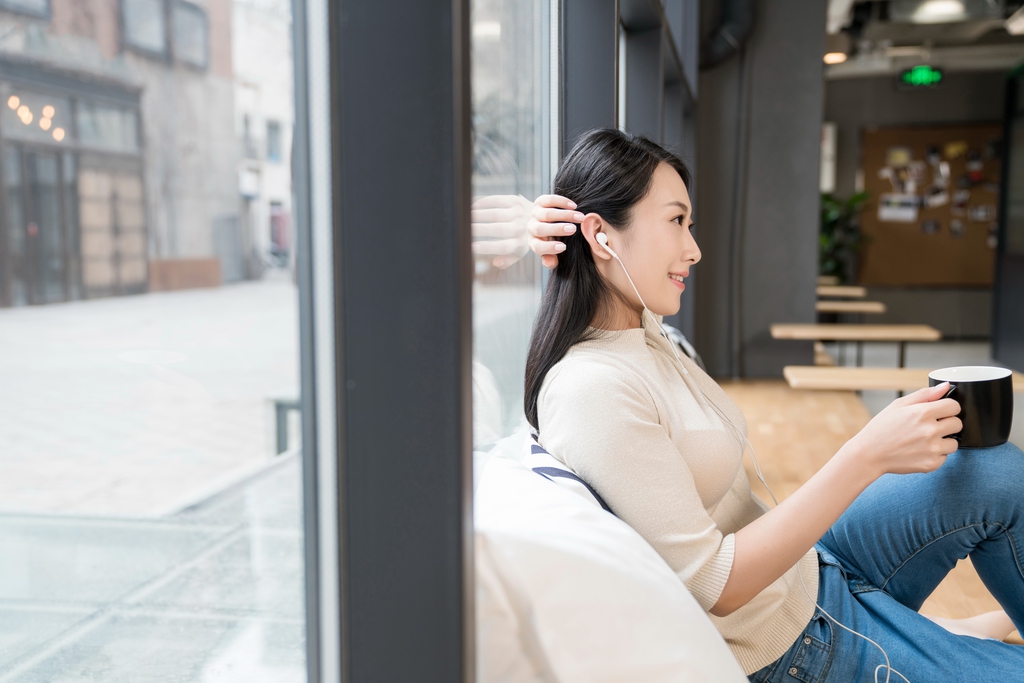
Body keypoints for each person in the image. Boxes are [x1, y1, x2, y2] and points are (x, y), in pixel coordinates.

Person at [522, 127, 1024, 682]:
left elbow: (569, 240)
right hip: (794, 645)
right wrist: (866, 455)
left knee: (994, 471)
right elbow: (716, 587)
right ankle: (923, 636)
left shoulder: (640, 331)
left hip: (811, 572)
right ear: (603, 236)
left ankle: (929, 636)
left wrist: (548, 234)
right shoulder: (593, 390)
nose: (694, 248)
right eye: (675, 221)